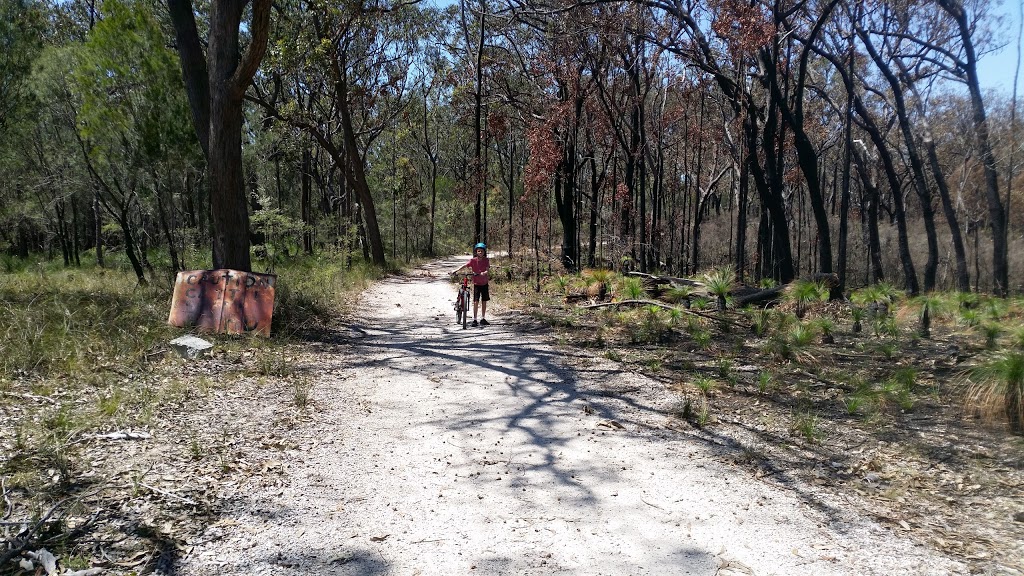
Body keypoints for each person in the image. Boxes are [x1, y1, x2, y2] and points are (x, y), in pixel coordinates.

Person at [452, 242, 490, 327]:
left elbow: (487, 269)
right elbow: (465, 265)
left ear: (484, 252)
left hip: (484, 283)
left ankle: (483, 318)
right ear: (476, 252)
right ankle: (475, 319)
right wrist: (456, 270)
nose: (480, 253)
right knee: (476, 301)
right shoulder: (473, 260)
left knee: (484, 301)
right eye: (478, 251)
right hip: (476, 283)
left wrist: (484, 273)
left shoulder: (486, 260)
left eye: (482, 251)